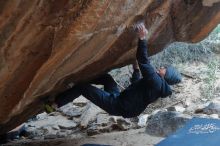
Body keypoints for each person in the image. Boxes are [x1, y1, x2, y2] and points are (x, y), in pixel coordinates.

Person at [48, 23, 182, 118]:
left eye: (166, 69)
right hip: (121, 100)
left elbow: (143, 60)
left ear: (166, 76)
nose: (163, 67)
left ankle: (54, 104)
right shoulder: (157, 85)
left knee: (82, 88)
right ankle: (77, 80)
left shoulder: (157, 83)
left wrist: (142, 38)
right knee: (107, 79)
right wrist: (136, 70)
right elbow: (137, 87)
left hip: (118, 105)